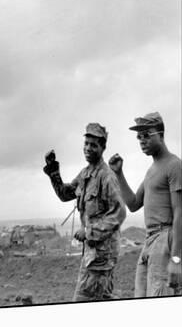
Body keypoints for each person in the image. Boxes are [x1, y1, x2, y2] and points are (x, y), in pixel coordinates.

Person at [43, 123, 126, 301]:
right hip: (92, 254)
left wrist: (89, 231)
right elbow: (65, 194)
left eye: (93, 145)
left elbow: (118, 214)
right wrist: (53, 170)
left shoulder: (107, 176)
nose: (88, 148)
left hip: (101, 257)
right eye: (86, 143)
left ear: (103, 148)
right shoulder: (86, 173)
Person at [108, 112, 182, 297]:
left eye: (147, 135)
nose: (142, 140)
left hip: (165, 238)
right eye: (139, 137)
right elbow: (133, 203)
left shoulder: (174, 165)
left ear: (161, 134)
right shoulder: (151, 171)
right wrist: (118, 173)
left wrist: (176, 260)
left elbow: (180, 213)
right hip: (149, 241)